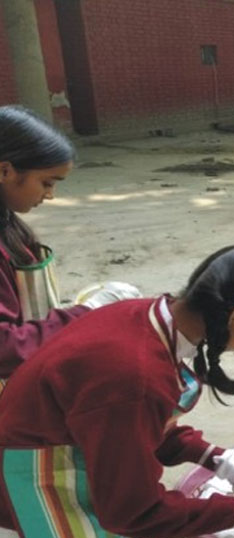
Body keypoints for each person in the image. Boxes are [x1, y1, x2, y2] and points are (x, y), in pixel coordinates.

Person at [0, 243, 234, 538]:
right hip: (35, 483)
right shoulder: (137, 374)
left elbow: (130, 428)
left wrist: (215, 458)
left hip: (76, 452)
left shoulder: (148, 315)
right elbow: (133, 511)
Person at [0, 106, 138, 381]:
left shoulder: (9, 224)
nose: (51, 195)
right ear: (5, 171)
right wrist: (84, 314)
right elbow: (5, 349)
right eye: (47, 182)